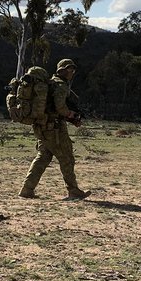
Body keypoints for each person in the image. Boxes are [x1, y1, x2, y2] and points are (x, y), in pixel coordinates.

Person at [20, 59, 90, 200]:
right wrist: (71, 114)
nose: (72, 73)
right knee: (67, 158)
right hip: (55, 129)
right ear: (62, 70)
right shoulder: (61, 85)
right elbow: (60, 108)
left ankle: (27, 189)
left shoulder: (50, 84)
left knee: (43, 157)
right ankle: (73, 190)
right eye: (70, 70)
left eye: (73, 70)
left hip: (42, 126)